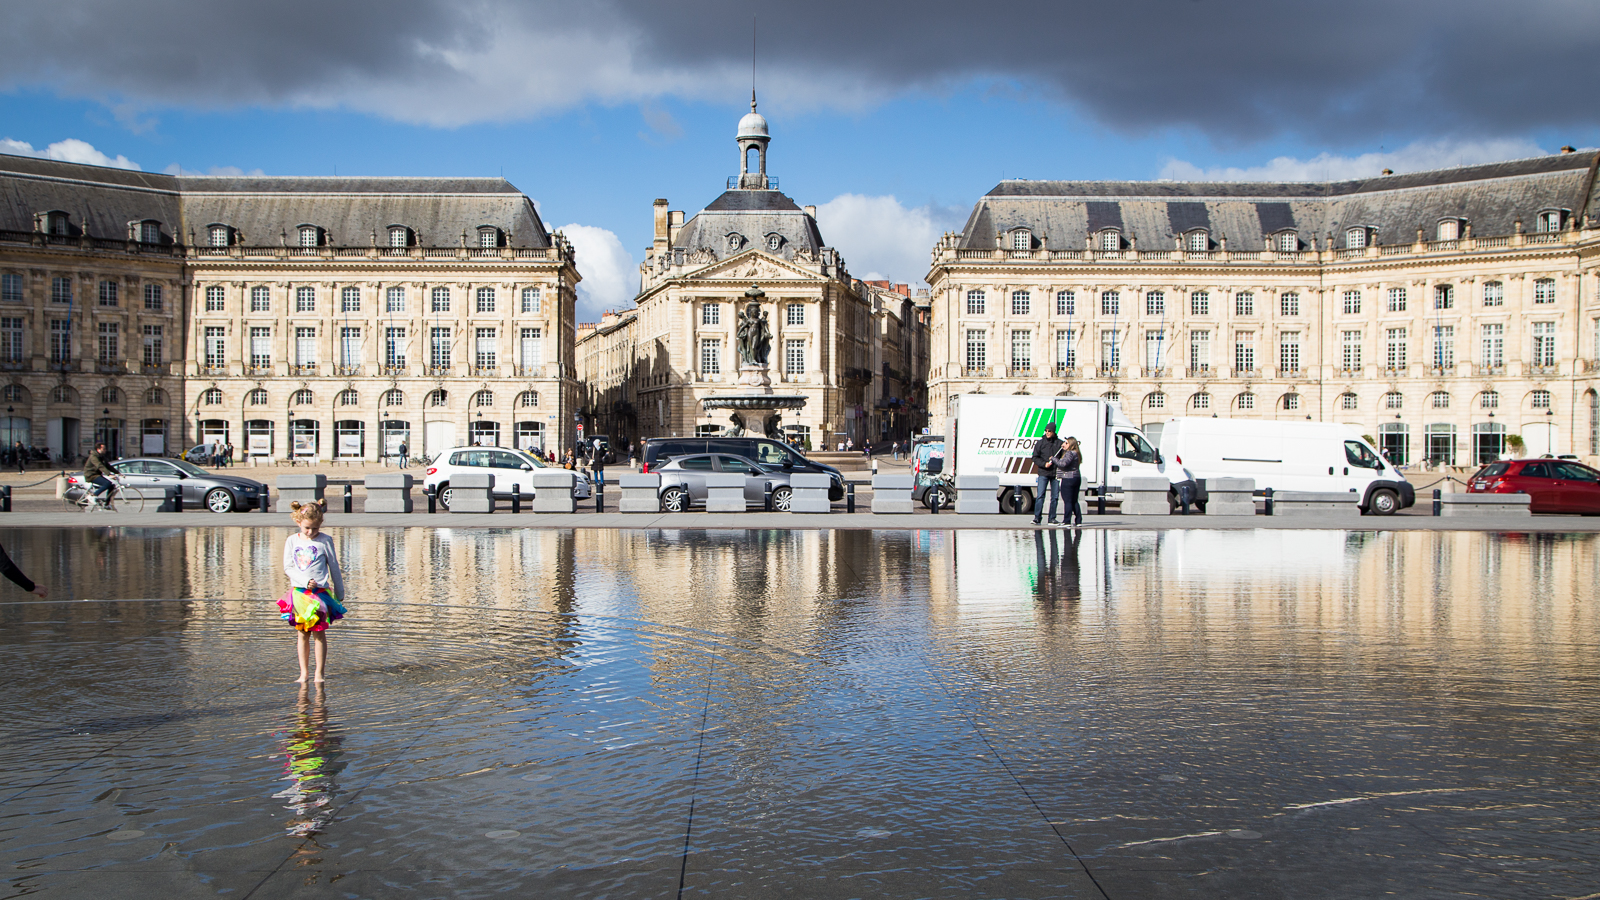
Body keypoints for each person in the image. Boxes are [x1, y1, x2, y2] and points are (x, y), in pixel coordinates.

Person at [279, 500, 346, 684]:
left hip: (320, 594)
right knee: (302, 634)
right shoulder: (292, 541)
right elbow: (288, 567)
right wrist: (303, 581)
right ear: (298, 522)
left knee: (319, 633)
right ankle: (304, 673)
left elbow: (334, 567)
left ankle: (319, 673)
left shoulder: (325, 541)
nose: (311, 532)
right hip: (300, 593)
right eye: (308, 528)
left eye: (315, 528)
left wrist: (339, 594)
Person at [1030, 422, 1066, 526]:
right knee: (1040, 495)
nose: (1047, 433)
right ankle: (1037, 518)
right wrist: (1044, 464)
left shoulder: (1059, 443)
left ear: (1054, 432)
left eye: (1049, 431)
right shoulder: (1040, 443)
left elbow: (1063, 457)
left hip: (1054, 474)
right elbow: (1035, 457)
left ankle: (1052, 518)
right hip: (1043, 472)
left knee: (1054, 497)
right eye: (1046, 431)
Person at [1057, 436, 1084, 527]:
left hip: (1068, 478)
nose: (1064, 444)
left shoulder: (1069, 453)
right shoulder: (1077, 453)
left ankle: (1067, 520)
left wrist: (1054, 459)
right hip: (1076, 477)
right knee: (1074, 500)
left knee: (1067, 500)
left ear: (1071, 444)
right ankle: (1078, 520)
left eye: (1066, 443)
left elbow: (1063, 464)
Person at [83, 442, 114, 507]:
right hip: (91, 475)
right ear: (98, 449)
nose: (105, 450)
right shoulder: (93, 456)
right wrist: (109, 474)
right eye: (104, 449)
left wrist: (118, 473)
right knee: (107, 483)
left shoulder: (101, 456)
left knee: (111, 486)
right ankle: (93, 496)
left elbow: (108, 466)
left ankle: (107, 504)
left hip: (96, 474)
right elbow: (100, 466)